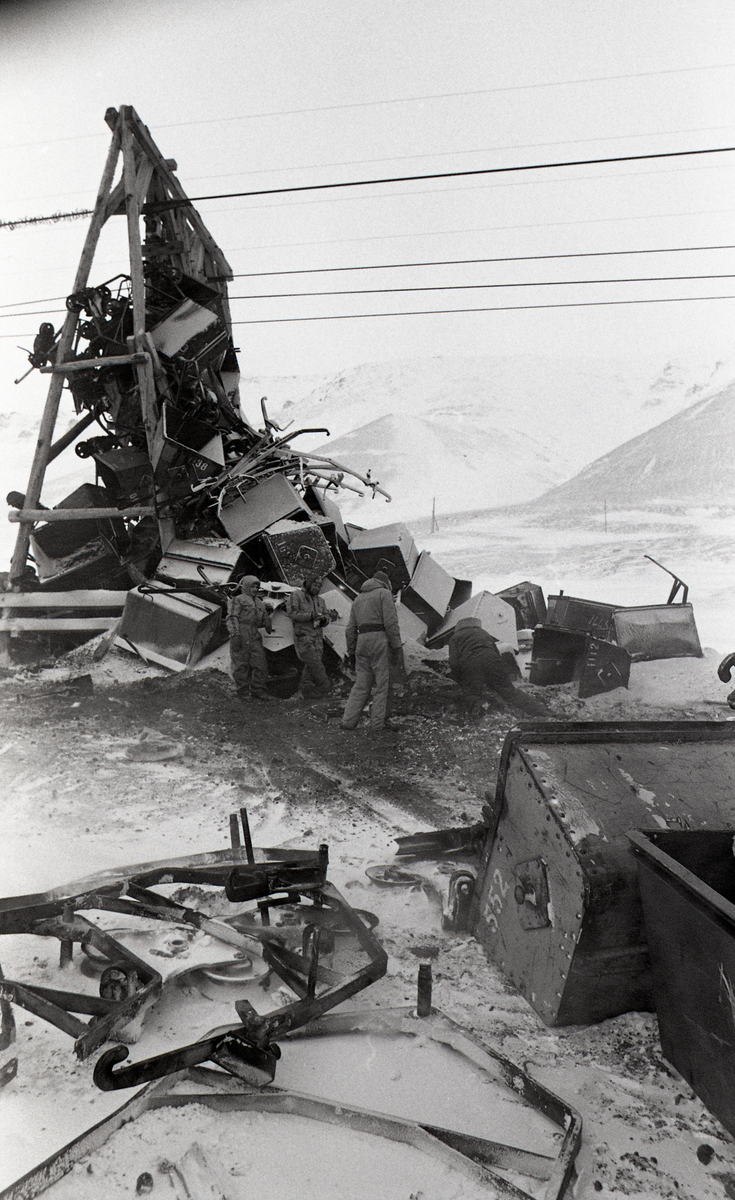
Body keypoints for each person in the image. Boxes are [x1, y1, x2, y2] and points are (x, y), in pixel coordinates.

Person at [448, 617, 549, 718]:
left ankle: (480, 720)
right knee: (510, 693)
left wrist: (461, 680)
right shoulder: (484, 634)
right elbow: (496, 653)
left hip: (471, 663)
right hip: (492, 660)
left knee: (472, 695)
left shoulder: (455, 638)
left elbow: (454, 663)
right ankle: (544, 713)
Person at [341, 571, 403, 733]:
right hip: (380, 640)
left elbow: (350, 630)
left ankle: (348, 721)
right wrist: (396, 646)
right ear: (385, 582)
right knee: (383, 684)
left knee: (361, 684)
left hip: (362, 641)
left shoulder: (358, 599)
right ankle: (377, 724)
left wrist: (352, 652)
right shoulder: (384, 594)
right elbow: (391, 623)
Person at [285, 571, 336, 699]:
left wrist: (324, 619)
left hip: (317, 638)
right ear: (308, 584)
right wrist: (311, 616)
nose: (317, 588)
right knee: (316, 665)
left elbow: (327, 617)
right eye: (314, 585)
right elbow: (292, 614)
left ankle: (305, 691)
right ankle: (326, 687)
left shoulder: (321, 601)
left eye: (319, 586)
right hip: (303, 636)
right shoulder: (296, 595)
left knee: (311, 665)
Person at [226, 575, 272, 701]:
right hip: (241, 632)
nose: (255, 589)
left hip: (254, 634)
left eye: (257, 586)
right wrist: (235, 634)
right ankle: (243, 691)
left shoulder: (260, 602)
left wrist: (267, 619)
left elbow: (262, 620)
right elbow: (232, 617)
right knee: (241, 664)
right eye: (252, 586)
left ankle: (258, 689)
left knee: (260, 663)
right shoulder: (238, 599)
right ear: (246, 586)